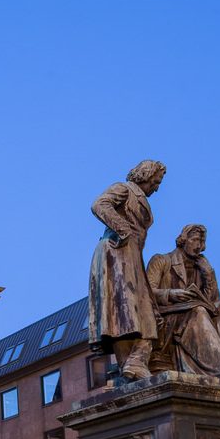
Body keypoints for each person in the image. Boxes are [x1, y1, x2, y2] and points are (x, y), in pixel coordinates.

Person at [145, 224, 220, 379]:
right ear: (183, 240)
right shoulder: (161, 260)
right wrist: (170, 294)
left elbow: (213, 302)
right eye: (194, 240)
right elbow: (145, 292)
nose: (198, 246)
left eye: (201, 242)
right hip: (168, 317)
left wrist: (208, 274)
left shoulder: (202, 267)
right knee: (198, 310)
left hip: (198, 313)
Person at [88, 160, 165, 380]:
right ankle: (132, 363)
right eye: (155, 182)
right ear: (145, 176)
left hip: (130, 255)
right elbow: (99, 204)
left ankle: (131, 365)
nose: (157, 188)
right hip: (117, 252)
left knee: (129, 313)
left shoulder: (139, 197)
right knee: (125, 311)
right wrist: (124, 230)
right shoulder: (124, 188)